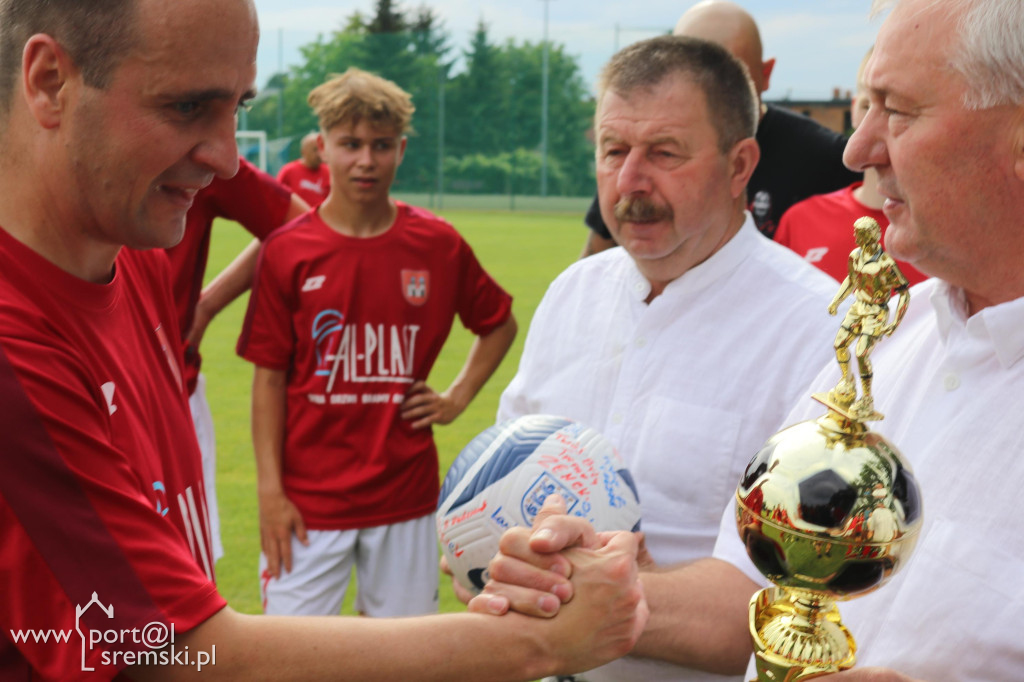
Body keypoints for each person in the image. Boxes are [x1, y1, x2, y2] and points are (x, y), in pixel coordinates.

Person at [0, 0, 647, 678]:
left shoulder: (126, 250)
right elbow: (176, 654)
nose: (226, 160)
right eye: (188, 107)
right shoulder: (18, 348)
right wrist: (535, 641)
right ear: (49, 81)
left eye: (237, 109)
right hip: (317, 507)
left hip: (398, 495)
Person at [481, 0, 1024, 679]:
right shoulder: (887, 338)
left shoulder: (826, 323)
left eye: (900, 109)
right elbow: (761, 589)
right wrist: (593, 581)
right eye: (613, 150)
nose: (856, 150)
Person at [496, 35, 838, 682]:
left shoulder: (819, 333)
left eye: (663, 153)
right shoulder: (574, 293)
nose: (629, 182)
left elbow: (797, 608)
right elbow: (502, 478)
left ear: (741, 166)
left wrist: (605, 592)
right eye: (613, 150)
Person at [237, 67, 519, 618]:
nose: (366, 160)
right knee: (290, 660)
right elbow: (267, 379)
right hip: (306, 502)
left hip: (404, 498)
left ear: (401, 149)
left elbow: (499, 323)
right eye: (351, 144)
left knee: (404, 662)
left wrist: (456, 397)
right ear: (324, 148)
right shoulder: (287, 251)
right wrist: (270, 493)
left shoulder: (436, 244)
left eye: (381, 146)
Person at [581, 0, 860, 257]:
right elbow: (597, 257)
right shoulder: (636, 161)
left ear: (765, 75)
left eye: (666, 154)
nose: (632, 178)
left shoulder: (827, 159)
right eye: (692, 76)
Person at [170, 156, 309, 562]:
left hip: (173, 396)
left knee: (183, 574)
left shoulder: (196, 150)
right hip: (59, 396)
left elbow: (300, 227)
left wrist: (209, 303)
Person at [774, 47, 927, 285]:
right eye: (868, 106)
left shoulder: (946, 234)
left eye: (896, 109)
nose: (877, 121)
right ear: (854, 110)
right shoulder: (800, 221)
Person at [826, 217, 909, 418]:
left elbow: (904, 292)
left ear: (869, 235)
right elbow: (851, 279)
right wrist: (836, 301)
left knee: (862, 353)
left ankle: (867, 398)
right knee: (839, 344)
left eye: (858, 233)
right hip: (858, 307)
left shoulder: (885, 263)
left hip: (876, 312)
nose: (854, 236)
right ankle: (847, 380)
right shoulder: (855, 255)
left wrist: (895, 323)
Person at [277, 131, 331, 206]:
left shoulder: (329, 172)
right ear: (303, 152)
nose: (319, 154)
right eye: (315, 150)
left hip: (319, 217)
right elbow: (277, 196)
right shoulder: (288, 171)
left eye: (321, 149)